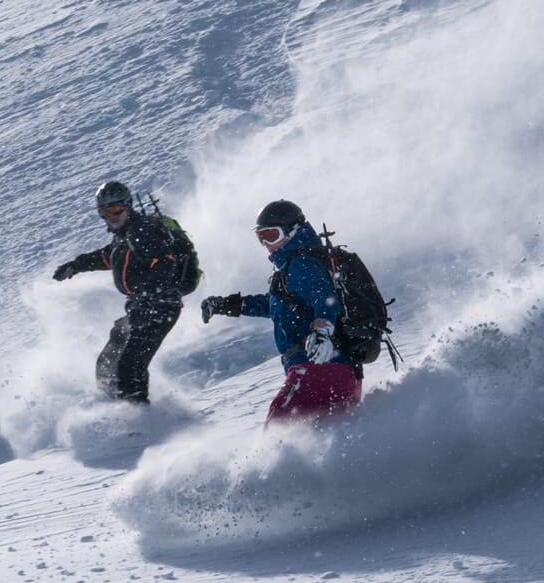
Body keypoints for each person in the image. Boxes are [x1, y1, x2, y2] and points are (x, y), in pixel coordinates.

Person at [200, 199, 361, 424]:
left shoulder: (301, 264)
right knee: (315, 439)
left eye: (271, 236)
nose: (267, 244)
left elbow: (325, 299)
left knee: (278, 427)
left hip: (316, 369)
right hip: (338, 373)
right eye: (261, 238)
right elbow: (273, 305)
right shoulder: (291, 270)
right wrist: (226, 305)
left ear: (293, 231)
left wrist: (322, 332)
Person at [52, 181, 184, 404]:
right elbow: (107, 257)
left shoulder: (141, 231)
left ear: (128, 206)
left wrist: (148, 298)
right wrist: (76, 265)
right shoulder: (125, 236)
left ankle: (139, 422)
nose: (110, 216)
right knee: (107, 362)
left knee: (129, 366)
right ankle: (114, 407)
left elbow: (164, 262)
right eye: (104, 211)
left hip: (160, 309)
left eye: (115, 209)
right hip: (140, 310)